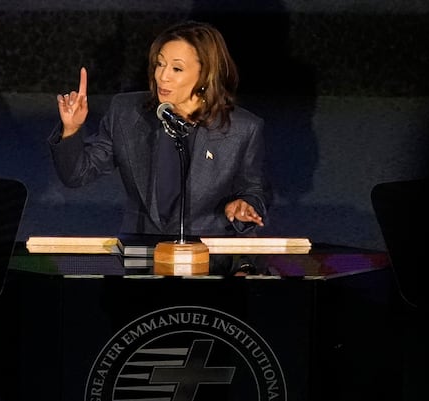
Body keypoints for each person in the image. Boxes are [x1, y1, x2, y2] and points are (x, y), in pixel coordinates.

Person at [48, 20, 272, 266]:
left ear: (205, 73)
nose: (162, 76)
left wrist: (244, 205)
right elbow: (77, 174)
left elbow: (254, 190)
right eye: (159, 64)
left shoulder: (242, 128)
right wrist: (71, 129)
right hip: (143, 253)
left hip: (210, 257)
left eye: (177, 69)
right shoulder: (127, 112)